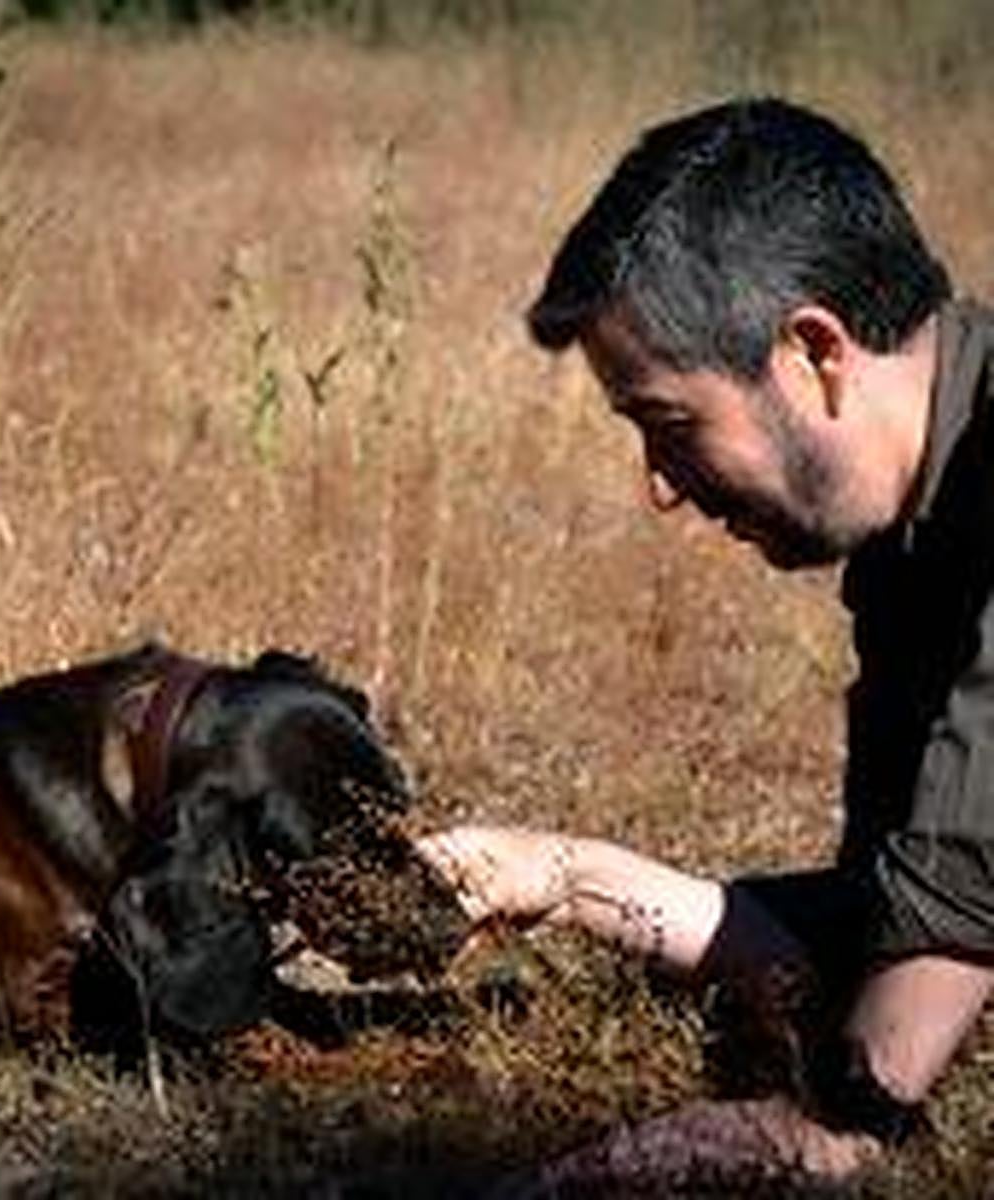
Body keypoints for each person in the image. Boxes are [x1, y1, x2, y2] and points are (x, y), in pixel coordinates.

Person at [418, 96, 994, 1186]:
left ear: (814, 350)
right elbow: (899, 916)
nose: (659, 489)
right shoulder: (913, 539)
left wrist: (828, 1131)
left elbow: (962, 893)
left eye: (670, 424)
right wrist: (566, 878)